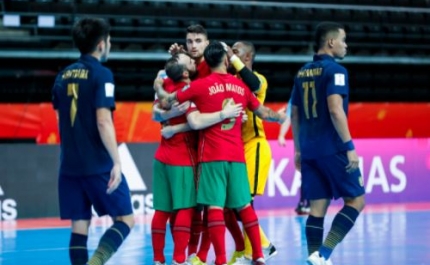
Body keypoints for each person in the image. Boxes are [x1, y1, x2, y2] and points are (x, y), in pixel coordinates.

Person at [160, 41, 287, 265]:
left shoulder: (199, 86)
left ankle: (219, 259)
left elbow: (170, 100)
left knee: (215, 208)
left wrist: (160, 86)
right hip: (237, 155)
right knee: (245, 206)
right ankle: (258, 254)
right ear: (226, 61)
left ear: (206, 63)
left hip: (212, 156)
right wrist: (280, 118)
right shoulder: (242, 87)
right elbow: (263, 112)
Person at [51, 17, 134, 265]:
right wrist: (116, 162)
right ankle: (96, 262)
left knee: (80, 225)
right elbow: (103, 120)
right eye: (108, 40)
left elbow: (60, 118)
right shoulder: (102, 74)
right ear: (101, 44)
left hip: (69, 166)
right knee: (126, 220)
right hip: (97, 165)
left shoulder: (62, 76)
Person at [151, 52, 243, 265]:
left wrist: (158, 89)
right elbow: (196, 122)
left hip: (161, 155)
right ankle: (180, 258)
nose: (195, 62)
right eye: (190, 62)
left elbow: (155, 112)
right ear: (184, 71)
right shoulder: (191, 89)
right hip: (183, 156)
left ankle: (158, 259)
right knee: (186, 208)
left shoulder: (163, 84)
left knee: (162, 210)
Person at [290, 22, 365, 265]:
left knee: (316, 210)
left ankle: (314, 258)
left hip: (309, 150)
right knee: (356, 201)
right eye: (343, 40)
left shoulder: (302, 72)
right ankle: (323, 254)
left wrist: (298, 150)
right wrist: (350, 147)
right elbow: (335, 110)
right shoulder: (336, 71)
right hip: (333, 147)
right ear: (331, 42)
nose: (346, 45)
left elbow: (295, 114)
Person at [224, 41, 277, 264]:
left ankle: (255, 249)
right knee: (232, 204)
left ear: (247, 58)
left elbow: (253, 84)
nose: (230, 55)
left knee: (243, 201)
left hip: (255, 146)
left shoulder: (259, 79)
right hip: (235, 148)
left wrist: (230, 56)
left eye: (235, 52)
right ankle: (263, 245)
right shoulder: (230, 81)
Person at [277, 98, 310, 215]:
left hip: (314, 139)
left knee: (310, 173)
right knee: (306, 172)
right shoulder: (297, 94)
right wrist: (281, 135)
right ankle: (305, 203)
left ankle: (306, 202)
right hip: (304, 141)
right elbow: (289, 116)